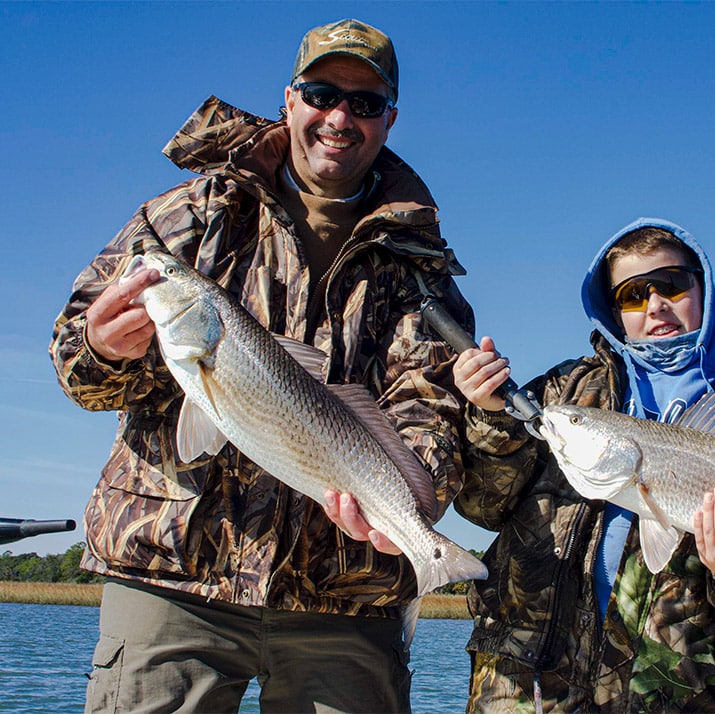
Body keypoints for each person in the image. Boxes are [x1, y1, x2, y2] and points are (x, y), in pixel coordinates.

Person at [50, 19, 473, 713]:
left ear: (389, 120)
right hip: (173, 575)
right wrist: (99, 348)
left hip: (347, 595)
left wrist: (407, 507)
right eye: (321, 93)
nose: (340, 116)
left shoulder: (423, 271)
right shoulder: (188, 214)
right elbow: (75, 363)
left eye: (364, 103)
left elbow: (430, 411)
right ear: (288, 99)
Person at [453, 218, 715, 713]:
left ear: (702, 287)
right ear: (612, 310)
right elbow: (481, 506)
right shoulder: (562, 395)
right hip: (525, 691)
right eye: (631, 294)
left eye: (671, 284)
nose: (655, 305)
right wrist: (490, 421)